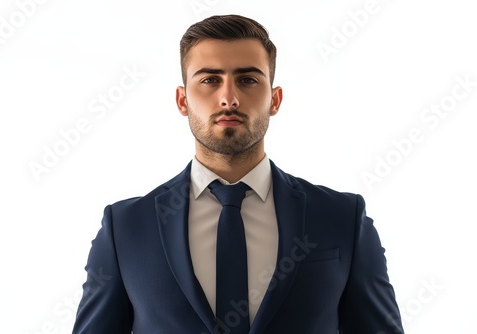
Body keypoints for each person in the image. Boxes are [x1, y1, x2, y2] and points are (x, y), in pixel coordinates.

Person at [72, 14, 404, 334]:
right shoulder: (126, 227)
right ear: (182, 99)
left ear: (274, 99)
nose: (228, 98)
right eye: (209, 80)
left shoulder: (342, 218)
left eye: (247, 79)